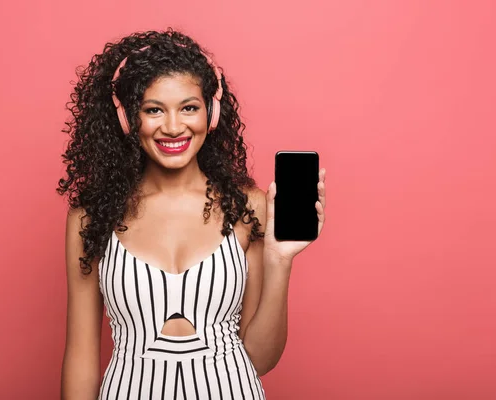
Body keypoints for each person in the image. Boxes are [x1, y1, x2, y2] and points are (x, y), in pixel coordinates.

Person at [57, 28, 326, 400]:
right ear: (126, 119)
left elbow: (259, 359)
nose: (172, 126)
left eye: (188, 107)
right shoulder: (90, 218)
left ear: (211, 113)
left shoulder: (248, 207)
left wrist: (279, 260)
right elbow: (81, 359)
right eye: (153, 110)